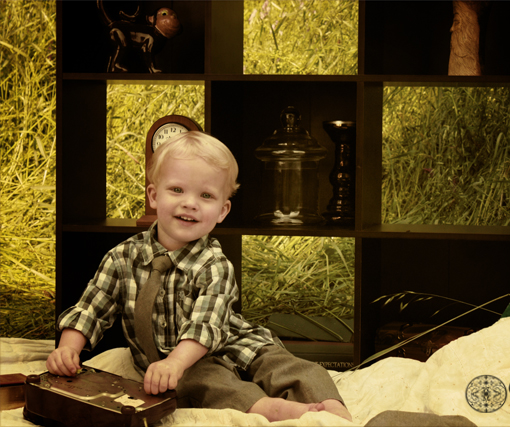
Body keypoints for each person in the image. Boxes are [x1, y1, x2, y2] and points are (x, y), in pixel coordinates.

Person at [46, 131, 352, 422]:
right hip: (186, 362)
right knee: (208, 381)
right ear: (154, 195)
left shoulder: (215, 265)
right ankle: (268, 409)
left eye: (206, 195)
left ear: (222, 211)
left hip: (230, 341)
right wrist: (69, 348)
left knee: (284, 363)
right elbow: (91, 309)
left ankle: (330, 407)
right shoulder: (122, 257)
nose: (190, 203)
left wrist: (175, 362)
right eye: (177, 190)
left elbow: (205, 327)